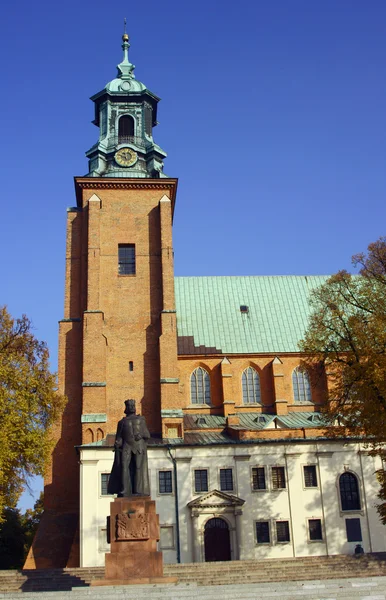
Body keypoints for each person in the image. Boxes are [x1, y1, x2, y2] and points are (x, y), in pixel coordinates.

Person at [107, 399, 150, 496]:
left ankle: (138, 491)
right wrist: (118, 443)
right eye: (129, 406)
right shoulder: (121, 422)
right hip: (127, 446)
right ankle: (124, 490)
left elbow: (147, 434)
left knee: (138, 467)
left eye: (132, 406)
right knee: (124, 466)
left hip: (138, 446)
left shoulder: (141, 420)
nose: (131, 407)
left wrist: (141, 435)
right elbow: (119, 437)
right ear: (126, 408)